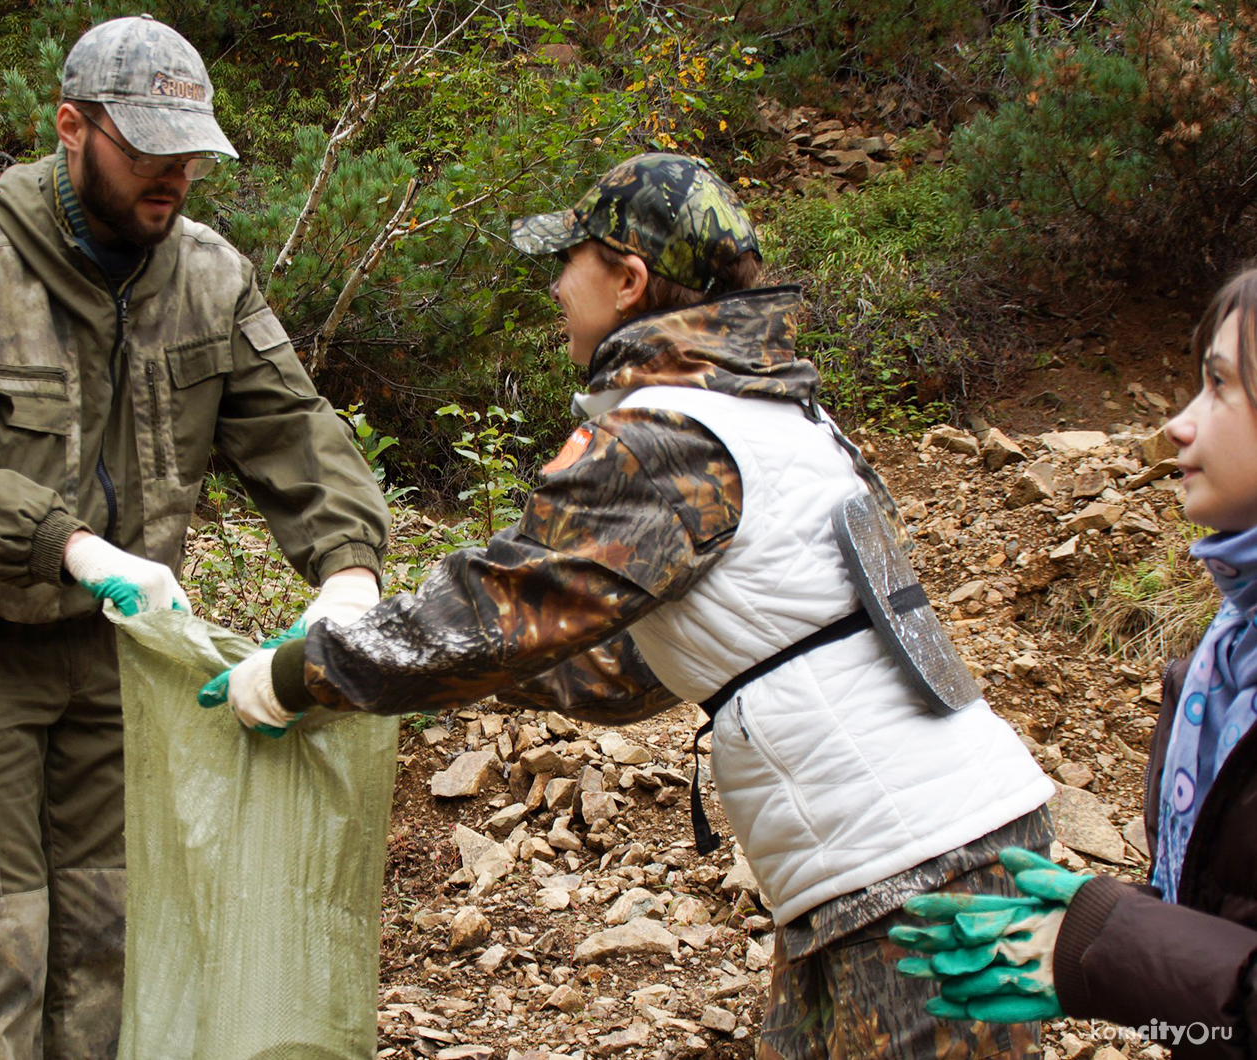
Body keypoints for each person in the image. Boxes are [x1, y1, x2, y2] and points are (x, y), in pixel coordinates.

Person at [202, 152, 1057, 1059]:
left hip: (911, 876)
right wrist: (446, 673)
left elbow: (497, 608)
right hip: (954, 853)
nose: (556, 289)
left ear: (628, 279)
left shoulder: (664, 434)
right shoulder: (769, 416)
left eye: (567, 264)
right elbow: (624, 665)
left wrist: (299, 674)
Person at [0, 15, 390, 1059]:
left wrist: (348, 571)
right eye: (146, 148)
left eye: (188, 154)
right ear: (70, 127)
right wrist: (75, 546)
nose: (173, 175)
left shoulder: (207, 276)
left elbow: (292, 431)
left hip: (119, 667)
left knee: (112, 960)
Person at [893, 266, 1257, 1059]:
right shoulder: (1225, 656)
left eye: (1222, 387)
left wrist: (1102, 955)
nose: (1179, 426)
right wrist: (1113, 937)